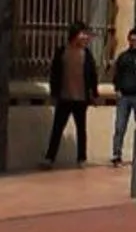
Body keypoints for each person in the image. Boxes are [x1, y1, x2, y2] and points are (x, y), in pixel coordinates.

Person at [42, 22, 98, 167]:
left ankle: (81, 158)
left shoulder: (87, 54)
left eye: (86, 34)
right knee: (57, 129)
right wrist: (54, 93)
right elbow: (54, 74)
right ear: (75, 35)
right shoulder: (62, 51)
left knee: (81, 130)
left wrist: (94, 94)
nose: (85, 37)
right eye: (82, 34)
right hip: (64, 97)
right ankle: (49, 158)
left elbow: (92, 75)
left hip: (81, 98)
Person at [109, 27, 136, 167]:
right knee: (120, 126)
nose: (133, 42)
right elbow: (117, 75)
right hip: (124, 97)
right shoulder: (123, 57)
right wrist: (117, 89)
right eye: (131, 40)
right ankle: (116, 154)